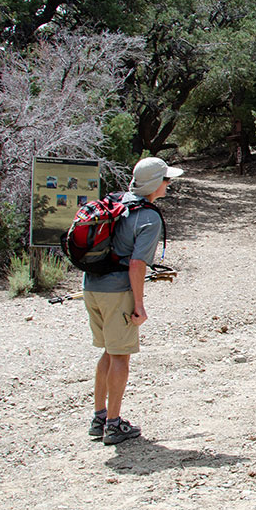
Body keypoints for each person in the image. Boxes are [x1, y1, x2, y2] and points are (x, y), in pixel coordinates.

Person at [83, 156, 183, 445]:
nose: (168, 184)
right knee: (120, 356)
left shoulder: (117, 203)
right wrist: (138, 305)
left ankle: (99, 417)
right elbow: (137, 264)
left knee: (108, 351)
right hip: (117, 292)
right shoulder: (148, 217)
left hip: (92, 286)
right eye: (166, 180)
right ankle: (114, 424)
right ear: (155, 184)